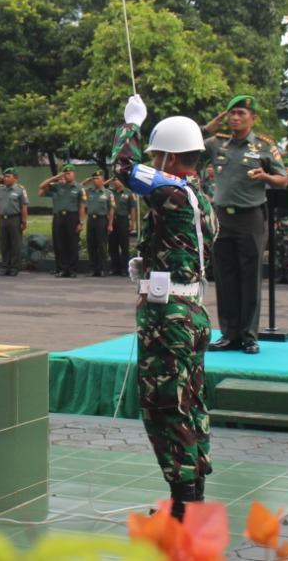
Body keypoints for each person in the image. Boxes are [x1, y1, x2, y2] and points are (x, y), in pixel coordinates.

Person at [110, 95, 216, 519]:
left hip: (169, 316)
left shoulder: (171, 189)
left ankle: (183, 506)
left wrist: (130, 126)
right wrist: (151, 260)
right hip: (191, 310)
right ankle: (191, 495)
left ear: (170, 156)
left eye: (157, 154)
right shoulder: (199, 199)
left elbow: (121, 169)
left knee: (164, 407)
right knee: (189, 403)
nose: (152, 161)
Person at [201, 94, 286, 354]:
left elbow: (283, 180)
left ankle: (249, 336)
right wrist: (206, 129)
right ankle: (229, 335)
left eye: (241, 113)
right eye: (231, 113)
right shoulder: (217, 143)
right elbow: (185, 149)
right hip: (222, 218)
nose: (235, 118)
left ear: (253, 118)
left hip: (250, 217)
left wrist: (266, 176)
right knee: (225, 278)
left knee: (249, 278)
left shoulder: (264, 145)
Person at [39, 164, 83, 278]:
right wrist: (55, 178)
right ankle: (62, 269)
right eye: (65, 173)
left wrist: (81, 222)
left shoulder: (79, 188)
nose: (67, 175)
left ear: (74, 174)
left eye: (69, 173)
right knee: (60, 244)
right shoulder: (57, 186)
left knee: (72, 244)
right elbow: (42, 186)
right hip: (59, 217)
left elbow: (82, 206)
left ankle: (72, 270)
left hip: (72, 217)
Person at [0, 168, 29, 275]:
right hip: (3, 219)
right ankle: (5, 266)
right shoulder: (0, 189)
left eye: (8, 176)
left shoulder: (20, 190)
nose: (6, 179)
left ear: (15, 178)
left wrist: (24, 221)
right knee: (4, 244)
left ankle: (14, 267)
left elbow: (24, 207)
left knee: (15, 244)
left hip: (15, 219)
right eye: (5, 176)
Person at [82, 171, 115, 276]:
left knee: (101, 245)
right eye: (94, 178)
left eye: (98, 178)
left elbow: (111, 210)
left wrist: (110, 224)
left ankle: (102, 269)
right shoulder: (89, 191)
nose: (95, 180)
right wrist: (85, 182)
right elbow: (78, 188)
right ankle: (93, 269)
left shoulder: (108, 193)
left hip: (102, 220)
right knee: (91, 245)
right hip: (91, 220)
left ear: (103, 180)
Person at [109, 178, 139, 276]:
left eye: (118, 180)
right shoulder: (111, 193)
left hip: (123, 220)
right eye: (115, 180)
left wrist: (132, 224)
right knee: (113, 245)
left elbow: (133, 209)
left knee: (124, 245)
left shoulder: (129, 194)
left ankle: (124, 268)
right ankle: (115, 268)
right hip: (112, 220)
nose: (116, 182)